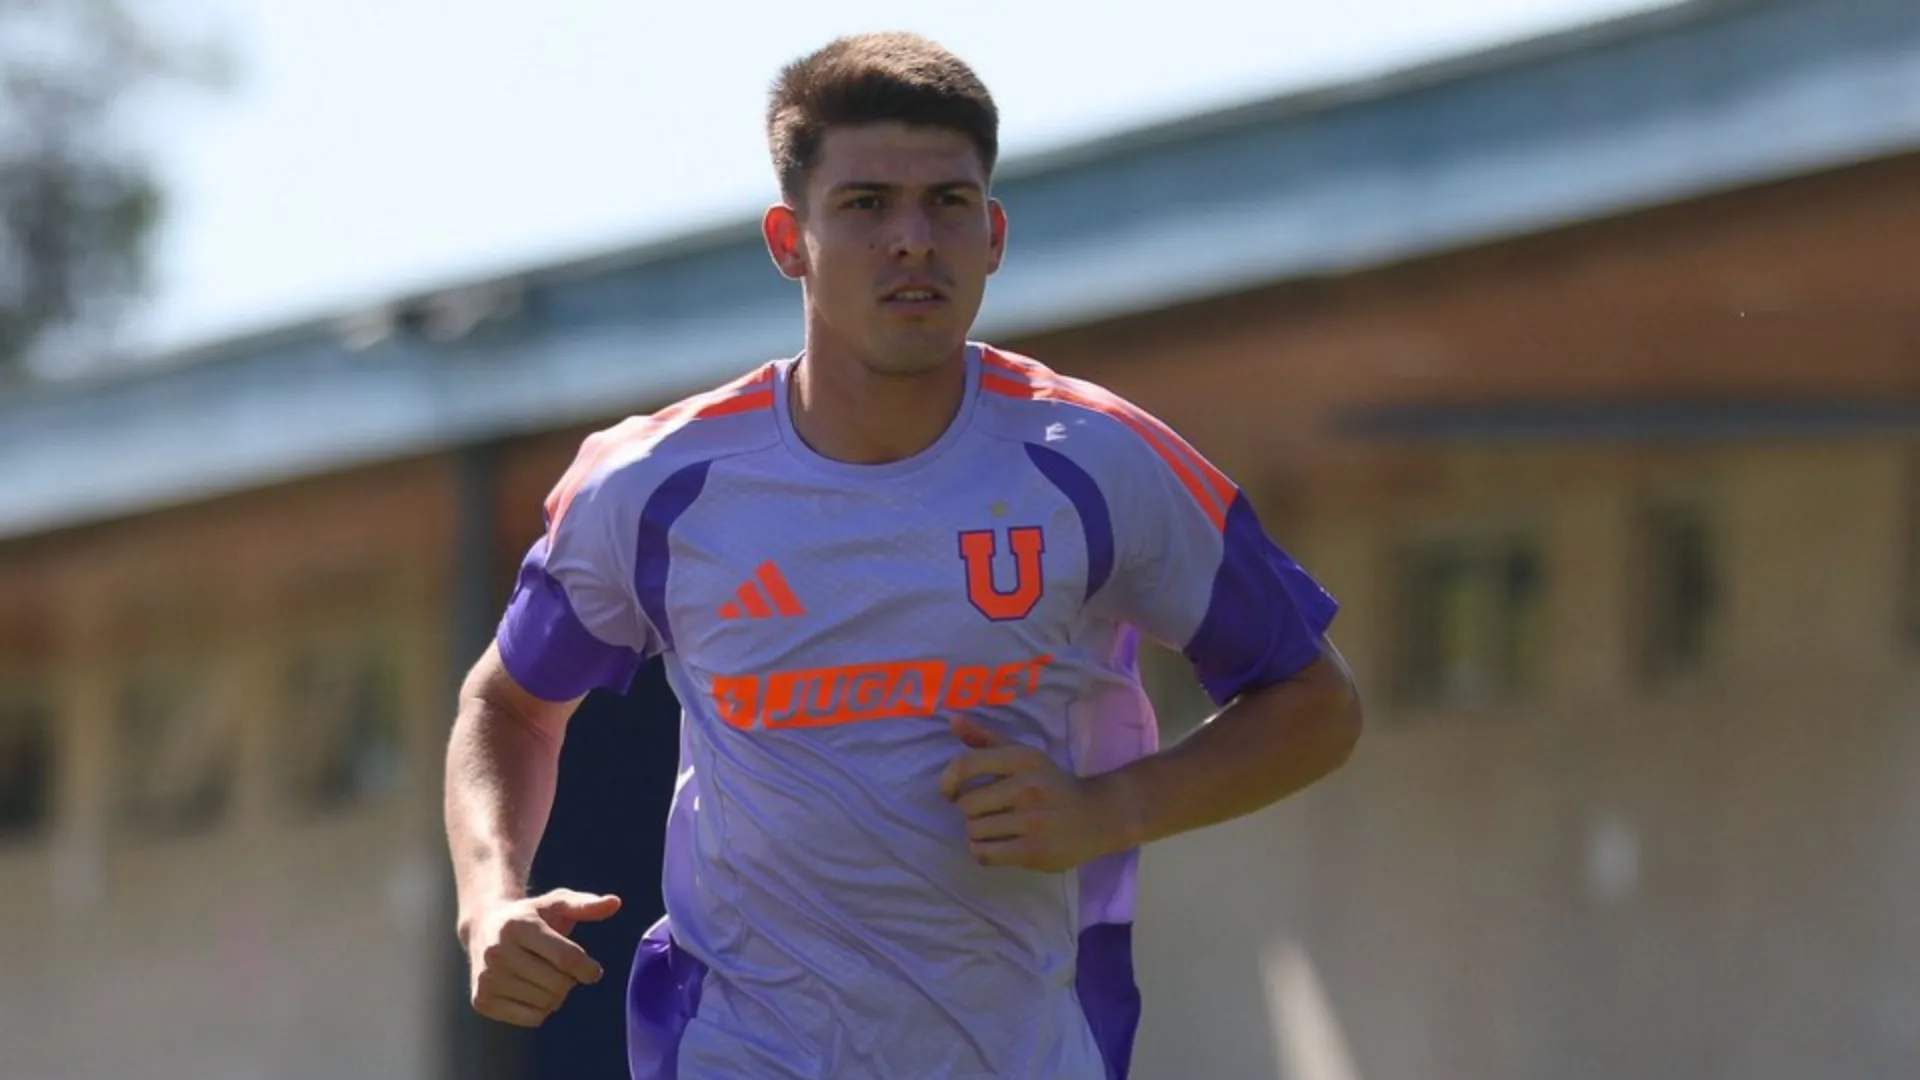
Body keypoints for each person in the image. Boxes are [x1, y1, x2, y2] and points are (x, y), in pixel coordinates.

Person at [443, 30, 1364, 1080]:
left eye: (948, 204)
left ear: (995, 235)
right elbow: (508, 705)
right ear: (789, 239)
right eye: (867, 204)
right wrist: (488, 900)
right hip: (740, 1049)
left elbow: (1315, 702)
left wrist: (1108, 809)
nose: (912, 240)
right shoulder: (652, 483)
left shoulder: (1100, 463)